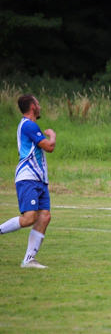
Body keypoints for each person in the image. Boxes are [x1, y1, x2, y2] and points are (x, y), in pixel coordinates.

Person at [0, 95, 57, 269]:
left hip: (39, 179)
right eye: (38, 103)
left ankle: (29, 259)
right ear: (32, 107)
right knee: (29, 218)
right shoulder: (29, 125)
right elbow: (49, 146)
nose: (40, 106)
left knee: (44, 216)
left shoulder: (28, 125)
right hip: (28, 177)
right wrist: (52, 136)